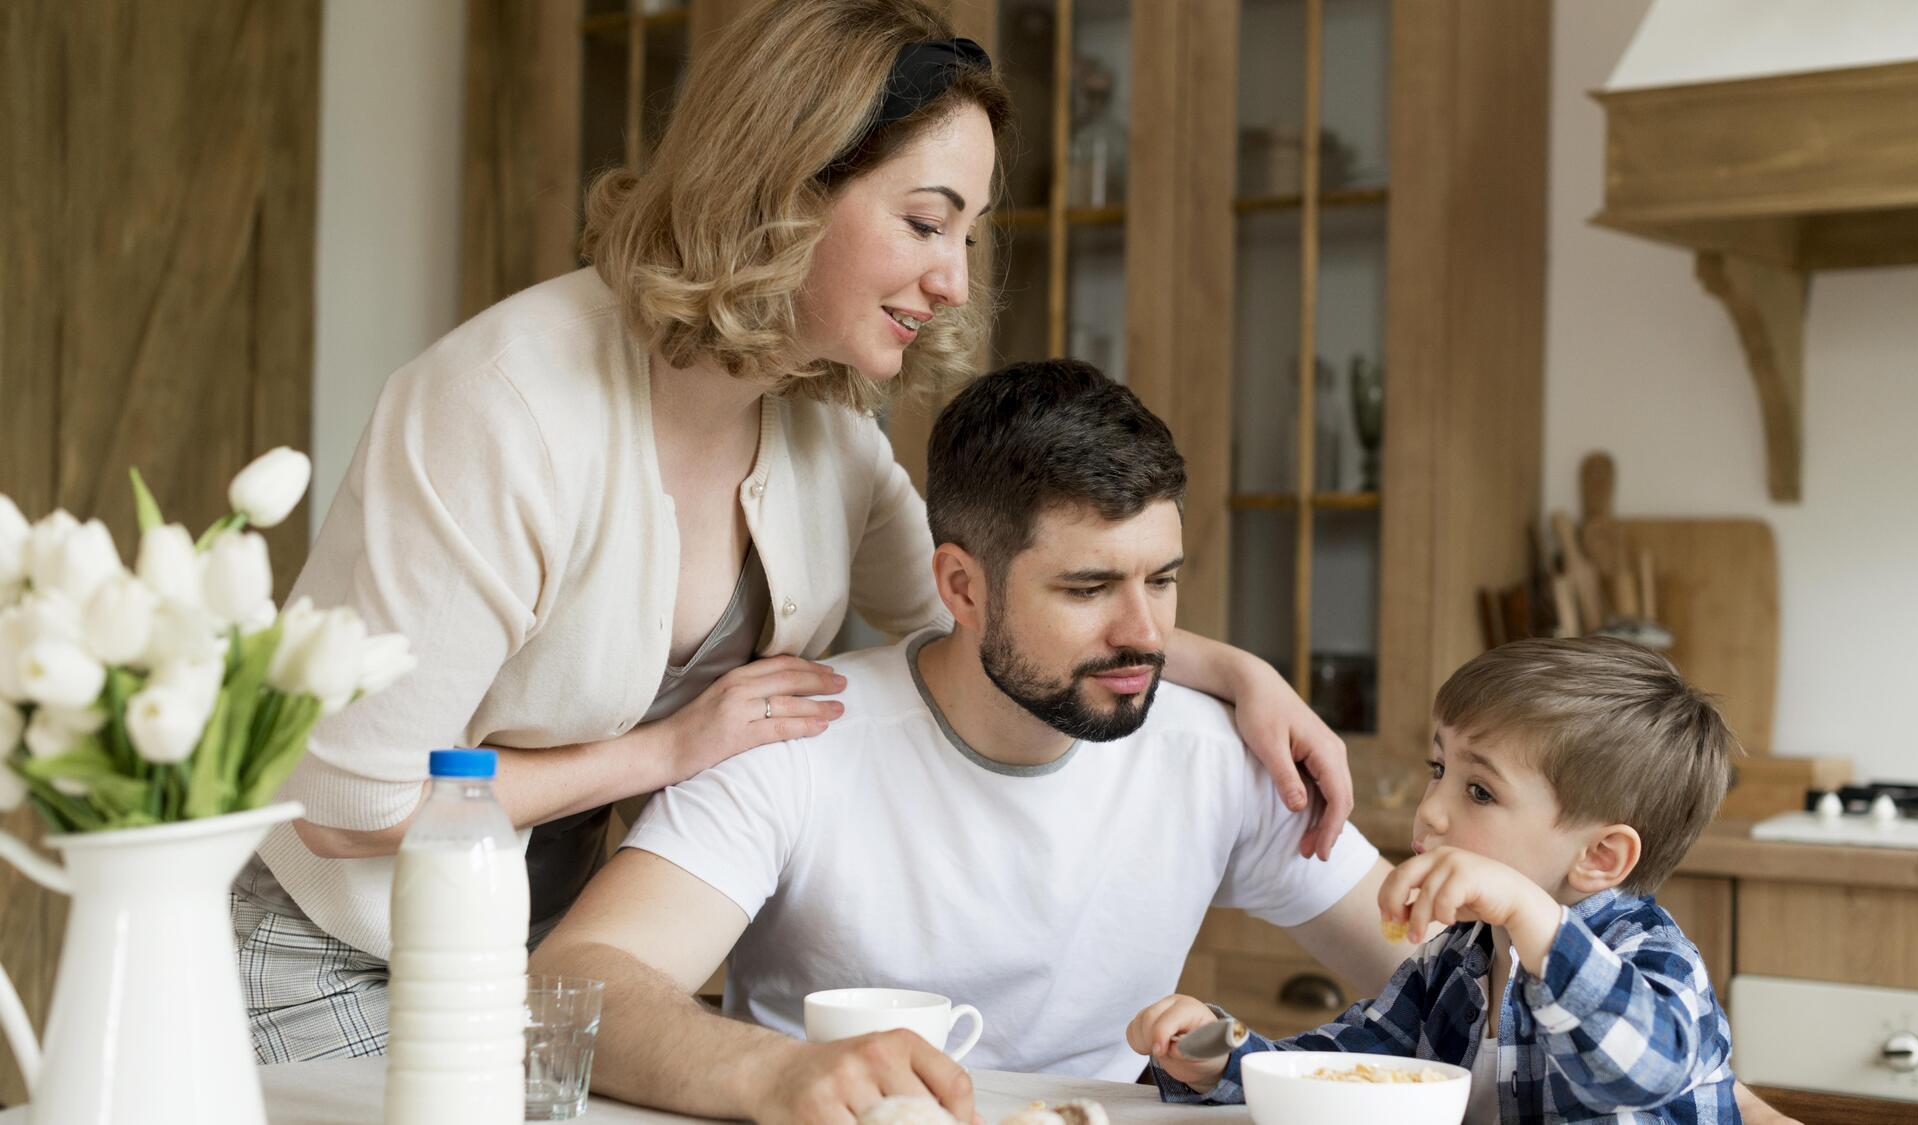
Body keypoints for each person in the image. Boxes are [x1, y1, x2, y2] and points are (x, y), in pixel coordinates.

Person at [231, 0, 1355, 1065]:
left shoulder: (825, 433)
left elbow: (977, 618)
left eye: (966, 233)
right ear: (784, 190)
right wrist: (660, 756)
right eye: (923, 222)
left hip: (548, 939)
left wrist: (1228, 672)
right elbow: (347, 806)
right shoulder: (501, 409)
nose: (954, 281)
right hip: (348, 953)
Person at [530, 359, 1407, 1124]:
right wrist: (778, 1071)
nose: (1144, 633)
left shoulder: (1216, 754)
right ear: (960, 584)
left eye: (1163, 579)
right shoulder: (799, 737)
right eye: (1089, 586)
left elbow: (1446, 982)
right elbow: (577, 979)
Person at [1131, 637, 1744, 1124]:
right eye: (1439, 767)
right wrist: (1218, 1056)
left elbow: (1643, 1068)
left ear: (1601, 857)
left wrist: (1532, 914)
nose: (1430, 809)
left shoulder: (1652, 959)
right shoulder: (1454, 960)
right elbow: (1346, 1069)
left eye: (1479, 790)